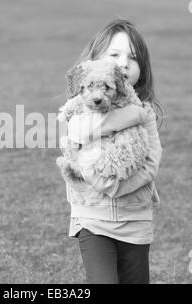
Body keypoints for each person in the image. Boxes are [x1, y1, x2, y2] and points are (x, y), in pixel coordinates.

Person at [64, 19, 163, 284]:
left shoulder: (147, 113)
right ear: (96, 60)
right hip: (92, 216)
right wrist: (132, 117)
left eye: (133, 57)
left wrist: (117, 188)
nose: (124, 63)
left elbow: (151, 165)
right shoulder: (79, 109)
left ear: (142, 68)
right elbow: (78, 136)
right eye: (115, 54)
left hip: (135, 217)